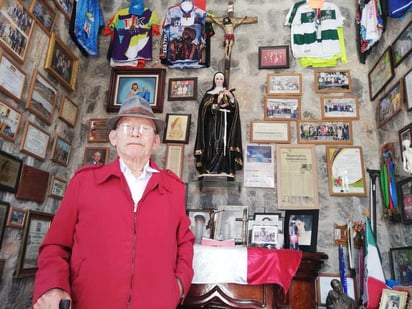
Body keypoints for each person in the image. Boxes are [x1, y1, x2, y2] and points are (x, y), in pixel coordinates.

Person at [32, 95, 195, 309]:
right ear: (113, 137)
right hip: (90, 302)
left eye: (145, 128)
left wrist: (178, 286)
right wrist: (53, 286)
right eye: (128, 126)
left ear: (155, 141)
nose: (136, 133)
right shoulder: (84, 182)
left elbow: (185, 243)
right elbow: (56, 245)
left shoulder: (173, 188)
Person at [194, 71, 243, 179]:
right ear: (214, 80)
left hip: (225, 125)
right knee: (211, 144)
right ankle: (209, 168)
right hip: (212, 125)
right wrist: (217, 101)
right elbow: (204, 108)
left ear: (224, 80)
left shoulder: (227, 92)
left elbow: (234, 109)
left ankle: (225, 168)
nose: (219, 80)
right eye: (217, 78)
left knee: (223, 144)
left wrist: (231, 98)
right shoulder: (209, 93)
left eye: (221, 79)